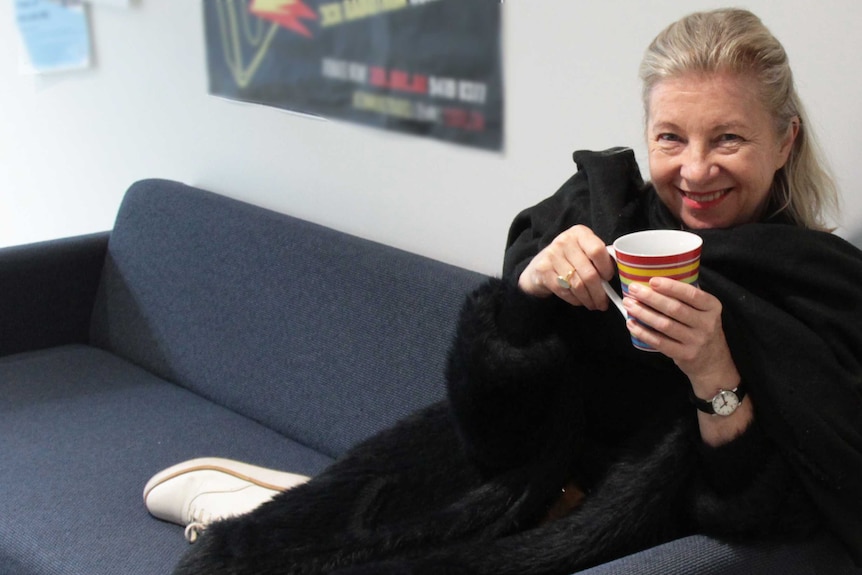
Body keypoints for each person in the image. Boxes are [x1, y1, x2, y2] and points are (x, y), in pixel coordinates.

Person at [147, 8, 862, 574]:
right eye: (671, 137)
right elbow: (486, 416)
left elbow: (762, 520)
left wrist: (715, 375)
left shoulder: (816, 288)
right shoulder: (596, 213)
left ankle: (253, 500)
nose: (695, 170)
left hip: (606, 534)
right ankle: (252, 508)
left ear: (785, 140)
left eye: (728, 139)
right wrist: (526, 294)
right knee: (230, 562)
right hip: (496, 476)